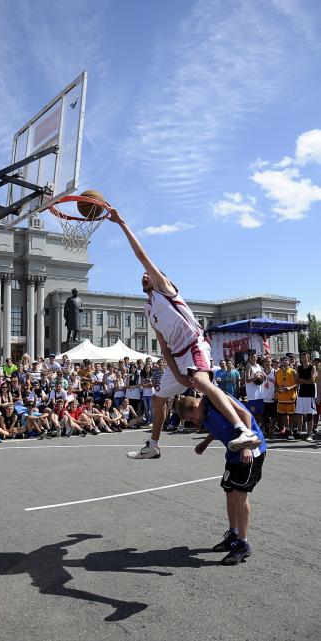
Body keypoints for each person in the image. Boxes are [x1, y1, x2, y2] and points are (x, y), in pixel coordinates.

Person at [108, 208, 260, 459]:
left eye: (149, 274)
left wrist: (122, 223)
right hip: (177, 357)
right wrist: (176, 372)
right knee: (157, 399)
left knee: (202, 383)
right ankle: (153, 446)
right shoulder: (149, 308)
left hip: (194, 345)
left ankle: (243, 429)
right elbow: (163, 345)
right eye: (143, 276)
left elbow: (141, 255)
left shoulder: (166, 290)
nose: (145, 275)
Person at [177, 393, 266, 565]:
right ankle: (233, 534)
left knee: (240, 494)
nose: (194, 422)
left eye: (191, 418)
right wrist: (206, 442)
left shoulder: (215, 399)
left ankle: (243, 543)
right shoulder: (204, 413)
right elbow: (218, 426)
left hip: (250, 450)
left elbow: (245, 415)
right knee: (229, 491)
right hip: (233, 452)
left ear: (195, 407)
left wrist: (247, 446)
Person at [295, 351, 317, 442]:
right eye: (302, 357)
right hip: (301, 393)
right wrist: (300, 378)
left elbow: (312, 381)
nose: (303, 359)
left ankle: (310, 433)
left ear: (308, 358)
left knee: (309, 415)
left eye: (305, 357)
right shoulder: (299, 368)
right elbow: (296, 381)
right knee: (299, 413)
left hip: (310, 394)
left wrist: (301, 380)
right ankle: (299, 432)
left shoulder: (313, 367)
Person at [275, 356, 298, 440]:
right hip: (281, 397)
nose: (284, 361)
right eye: (283, 360)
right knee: (283, 415)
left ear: (288, 362)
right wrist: (277, 389)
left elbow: (297, 383)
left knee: (292, 415)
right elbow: (275, 383)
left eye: (286, 360)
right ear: (281, 362)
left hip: (290, 396)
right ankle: (287, 430)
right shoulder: (277, 372)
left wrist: (290, 388)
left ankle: (293, 431)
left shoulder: (293, 371)